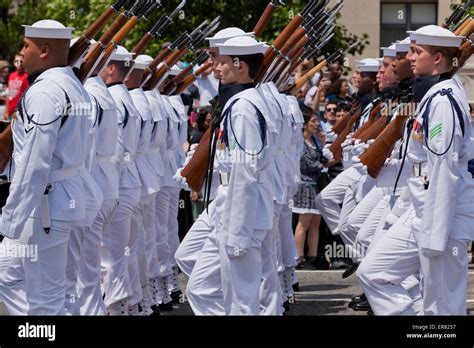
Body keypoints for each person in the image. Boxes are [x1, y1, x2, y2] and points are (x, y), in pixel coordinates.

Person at [357, 25, 474, 315]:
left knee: (442, 304)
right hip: (422, 208)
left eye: (416, 51)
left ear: (437, 59)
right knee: (373, 271)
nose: (408, 57)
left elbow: (444, 170)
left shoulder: (444, 101)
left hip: (443, 215)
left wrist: (436, 234)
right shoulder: (435, 96)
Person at [0, 19, 90, 315]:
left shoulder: (45, 92)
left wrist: (10, 218)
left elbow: (34, 164)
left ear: (45, 50)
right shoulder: (71, 86)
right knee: (8, 275)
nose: (21, 53)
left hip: (43, 209)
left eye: (26, 46)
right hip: (59, 201)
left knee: (45, 301)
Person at [293, 105, 328, 270]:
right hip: (305, 185)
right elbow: (306, 163)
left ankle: (313, 256)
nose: (317, 124)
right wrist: (322, 163)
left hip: (316, 184)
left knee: (315, 223)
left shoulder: (314, 141)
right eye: (313, 121)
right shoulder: (300, 142)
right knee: (303, 223)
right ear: (305, 123)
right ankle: (299, 257)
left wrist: (323, 143)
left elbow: (321, 159)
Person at [3, 54, 28, 120]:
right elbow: (9, 93)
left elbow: (26, 96)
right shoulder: (11, 75)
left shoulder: (26, 76)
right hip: (9, 111)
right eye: (16, 61)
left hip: (19, 112)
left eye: (21, 61)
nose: (19, 64)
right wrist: (6, 110)